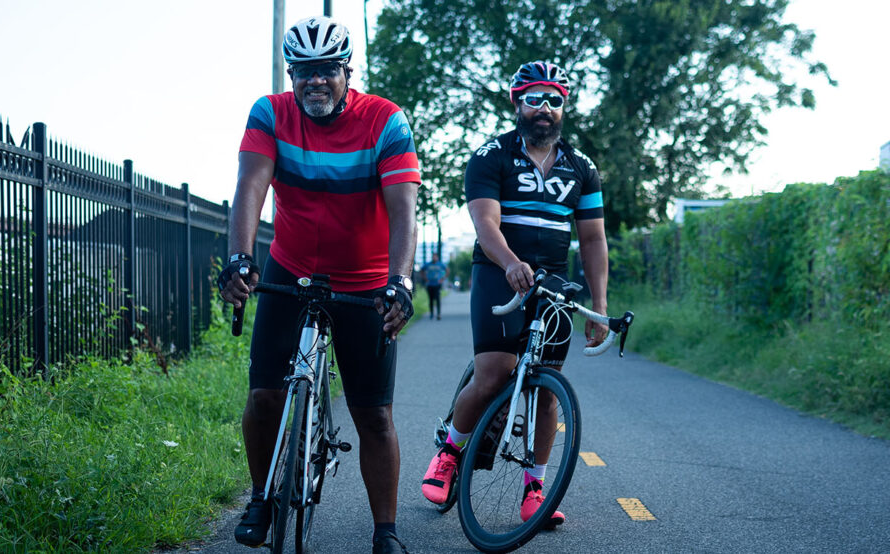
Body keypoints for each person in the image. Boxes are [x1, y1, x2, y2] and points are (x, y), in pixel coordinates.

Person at [217, 16, 418, 554]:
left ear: (347, 71)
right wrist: (239, 257)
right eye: (303, 71)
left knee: (374, 414)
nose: (315, 81)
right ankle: (261, 496)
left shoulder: (386, 122)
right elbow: (250, 184)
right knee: (263, 397)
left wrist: (400, 280)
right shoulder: (270, 113)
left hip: (367, 279)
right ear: (292, 74)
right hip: (292, 267)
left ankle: (386, 532)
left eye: (327, 69)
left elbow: (404, 211)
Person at [420, 61, 609, 528]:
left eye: (554, 101)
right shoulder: (492, 155)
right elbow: (486, 224)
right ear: (516, 102)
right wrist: (509, 263)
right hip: (498, 273)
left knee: (547, 393)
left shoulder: (582, 167)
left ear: (564, 108)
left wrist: (599, 307)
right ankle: (448, 455)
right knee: (493, 375)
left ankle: (533, 491)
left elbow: (592, 241)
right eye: (534, 99)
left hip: (556, 286)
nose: (544, 109)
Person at [422, 253, 447, 320]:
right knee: (431, 299)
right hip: (430, 284)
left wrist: (442, 279)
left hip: (437, 284)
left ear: (437, 258)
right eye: (433, 257)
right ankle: (431, 314)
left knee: (438, 299)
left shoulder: (440, 264)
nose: (434, 258)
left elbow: (447, 270)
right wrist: (425, 279)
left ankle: (438, 314)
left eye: (435, 257)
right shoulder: (428, 264)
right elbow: (421, 270)